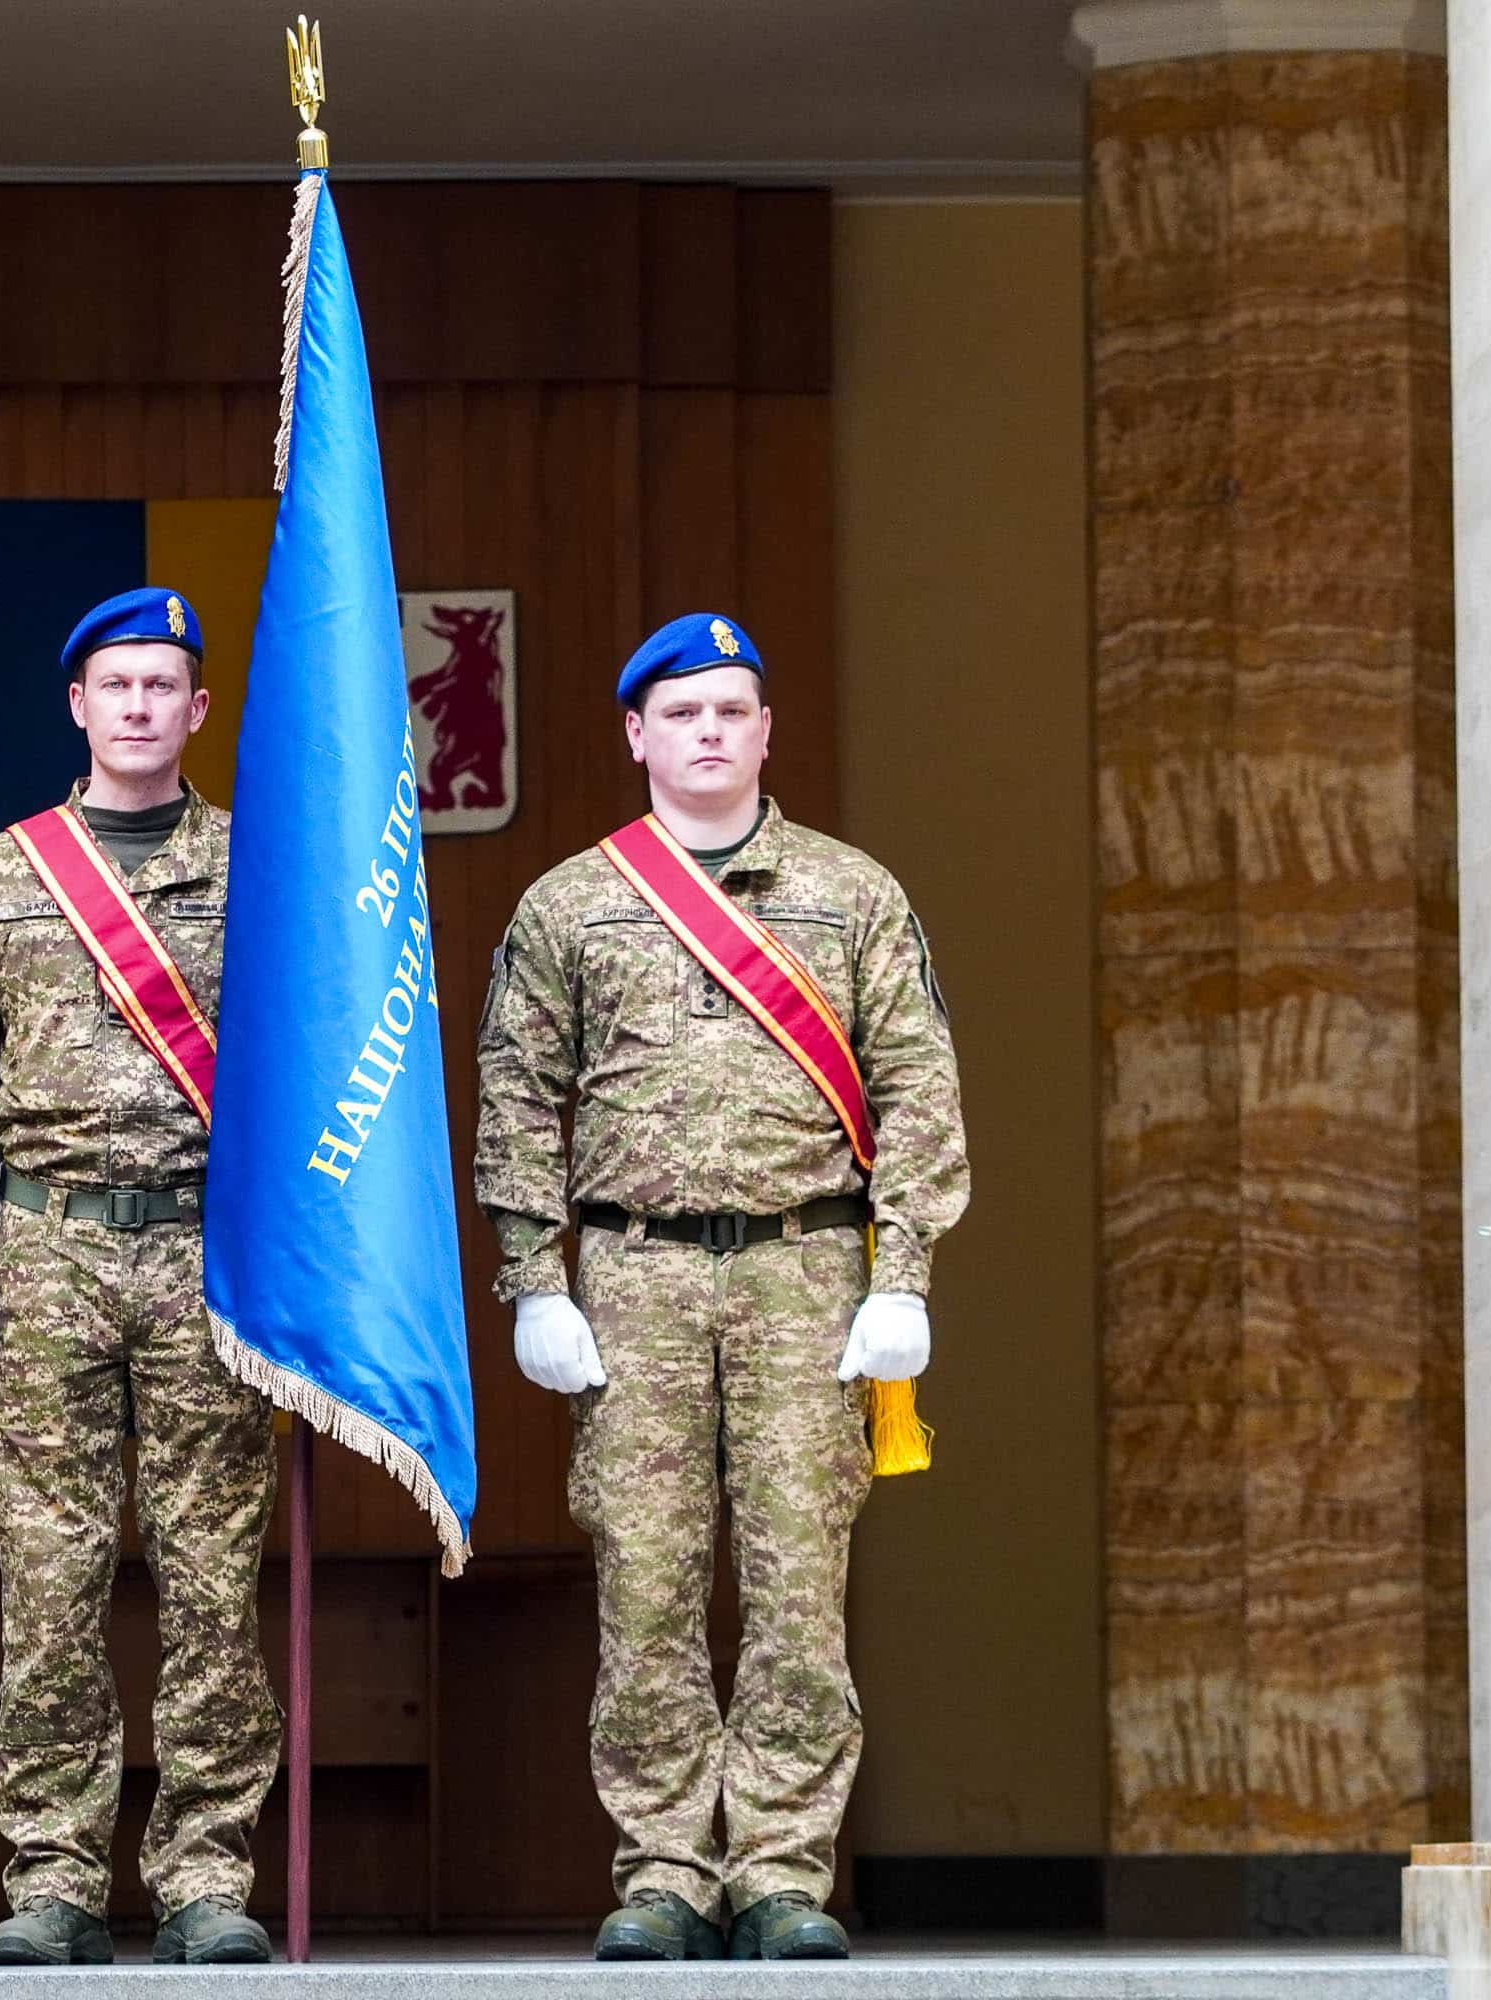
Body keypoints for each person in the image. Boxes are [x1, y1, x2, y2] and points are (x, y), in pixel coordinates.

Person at [473, 611, 970, 1963]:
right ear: (636, 735)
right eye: (680, 713)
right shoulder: (570, 903)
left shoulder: (851, 893)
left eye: (730, 711)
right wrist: (534, 1278)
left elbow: (918, 1081)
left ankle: (782, 1871)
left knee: (801, 1581)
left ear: (764, 731)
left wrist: (903, 1268)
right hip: (629, 1275)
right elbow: (519, 1090)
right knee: (645, 1582)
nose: (707, 733)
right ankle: (665, 1870)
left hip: (808, 1272)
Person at [0, 587, 281, 1967]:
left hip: (202, 1251)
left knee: (210, 1579)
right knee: (50, 1580)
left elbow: (306, 1086)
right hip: (48, 1250)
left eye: (160, 685)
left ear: (197, 708)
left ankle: (203, 1875)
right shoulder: (9, 873)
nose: (134, 706)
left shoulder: (256, 866)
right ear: (76, 705)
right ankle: (53, 1876)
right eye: (112, 684)